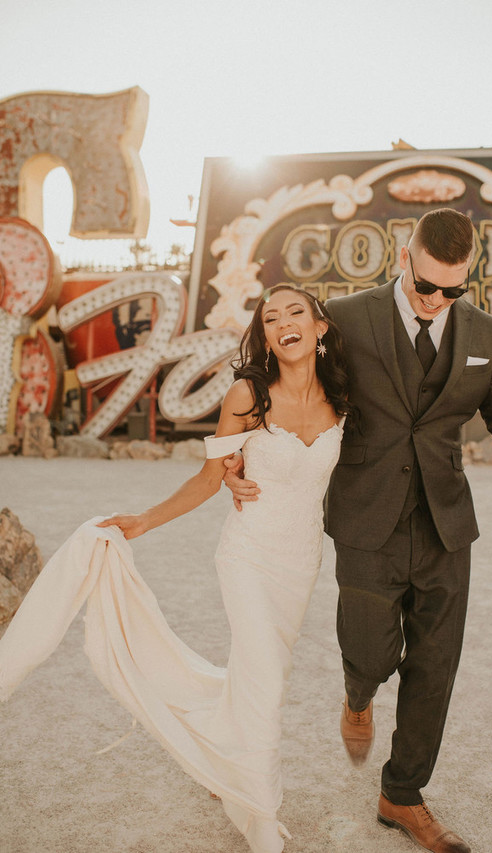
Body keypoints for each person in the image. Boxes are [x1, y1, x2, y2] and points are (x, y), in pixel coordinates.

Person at [225, 209, 492, 853]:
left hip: (446, 525)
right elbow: (280, 366)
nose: (436, 301)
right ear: (404, 259)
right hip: (364, 518)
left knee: (436, 665)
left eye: (453, 290)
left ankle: (401, 794)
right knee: (371, 651)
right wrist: (235, 446)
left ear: (468, 278)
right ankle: (359, 693)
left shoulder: (485, 334)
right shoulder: (346, 319)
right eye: (426, 286)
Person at [0, 284, 353, 853]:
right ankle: (262, 818)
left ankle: (218, 752)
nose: (283, 322)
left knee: (263, 677)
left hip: (302, 562)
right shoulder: (247, 394)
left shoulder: (343, 397)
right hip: (248, 557)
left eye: (296, 313)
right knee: (263, 680)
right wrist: (143, 521)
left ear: (320, 328)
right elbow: (211, 478)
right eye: (270, 318)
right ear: (264, 335)